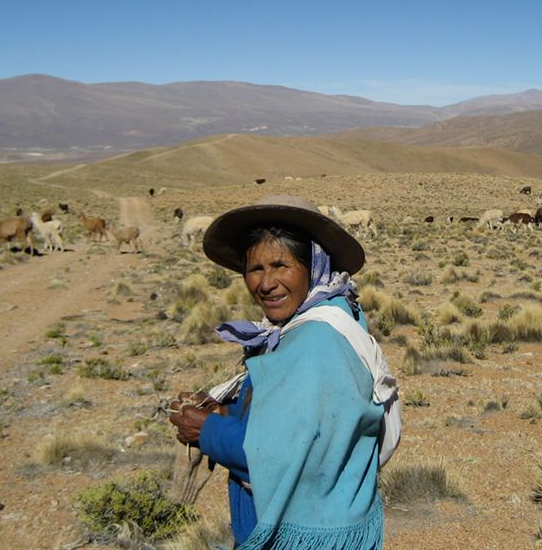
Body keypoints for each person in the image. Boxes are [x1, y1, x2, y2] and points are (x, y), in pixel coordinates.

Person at [168, 195, 396, 550]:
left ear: (313, 265)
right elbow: (296, 415)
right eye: (255, 269)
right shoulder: (312, 321)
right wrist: (225, 408)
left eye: (281, 266)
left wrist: (207, 429)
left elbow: (293, 454)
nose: (266, 283)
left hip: (309, 535)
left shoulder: (318, 341)